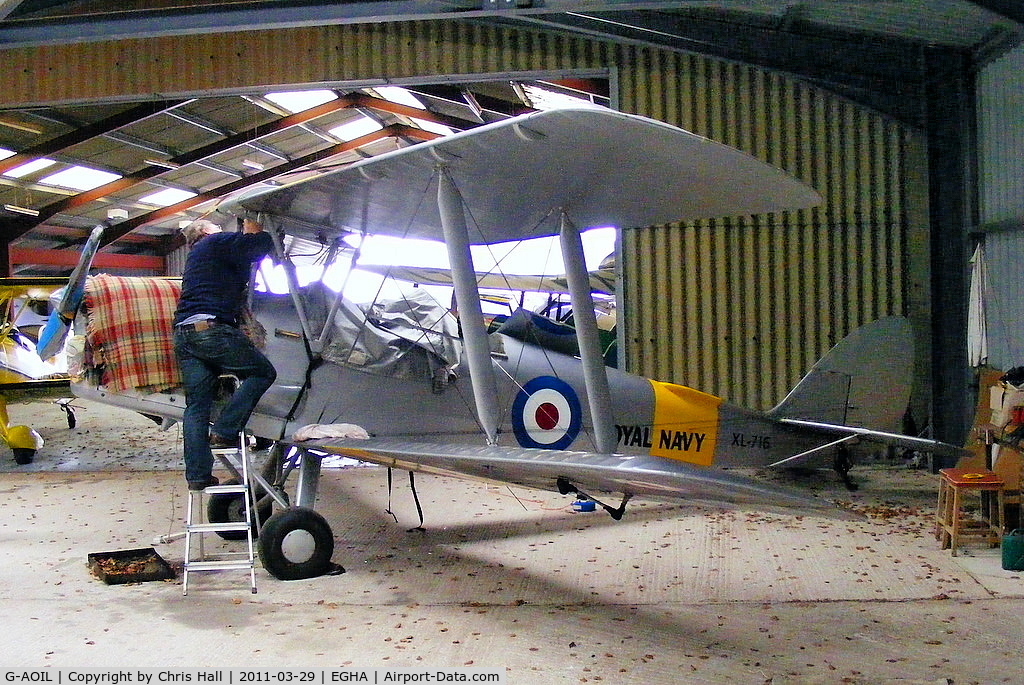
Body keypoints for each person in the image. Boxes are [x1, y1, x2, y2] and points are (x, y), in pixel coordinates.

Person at [173, 217, 277, 490]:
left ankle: (197, 476)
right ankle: (225, 430)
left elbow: (240, 259)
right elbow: (258, 246)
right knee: (263, 372)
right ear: (206, 232)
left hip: (185, 334)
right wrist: (256, 232)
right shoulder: (215, 242)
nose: (223, 232)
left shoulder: (199, 255)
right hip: (211, 329)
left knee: (196, 406)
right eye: (218, 229)